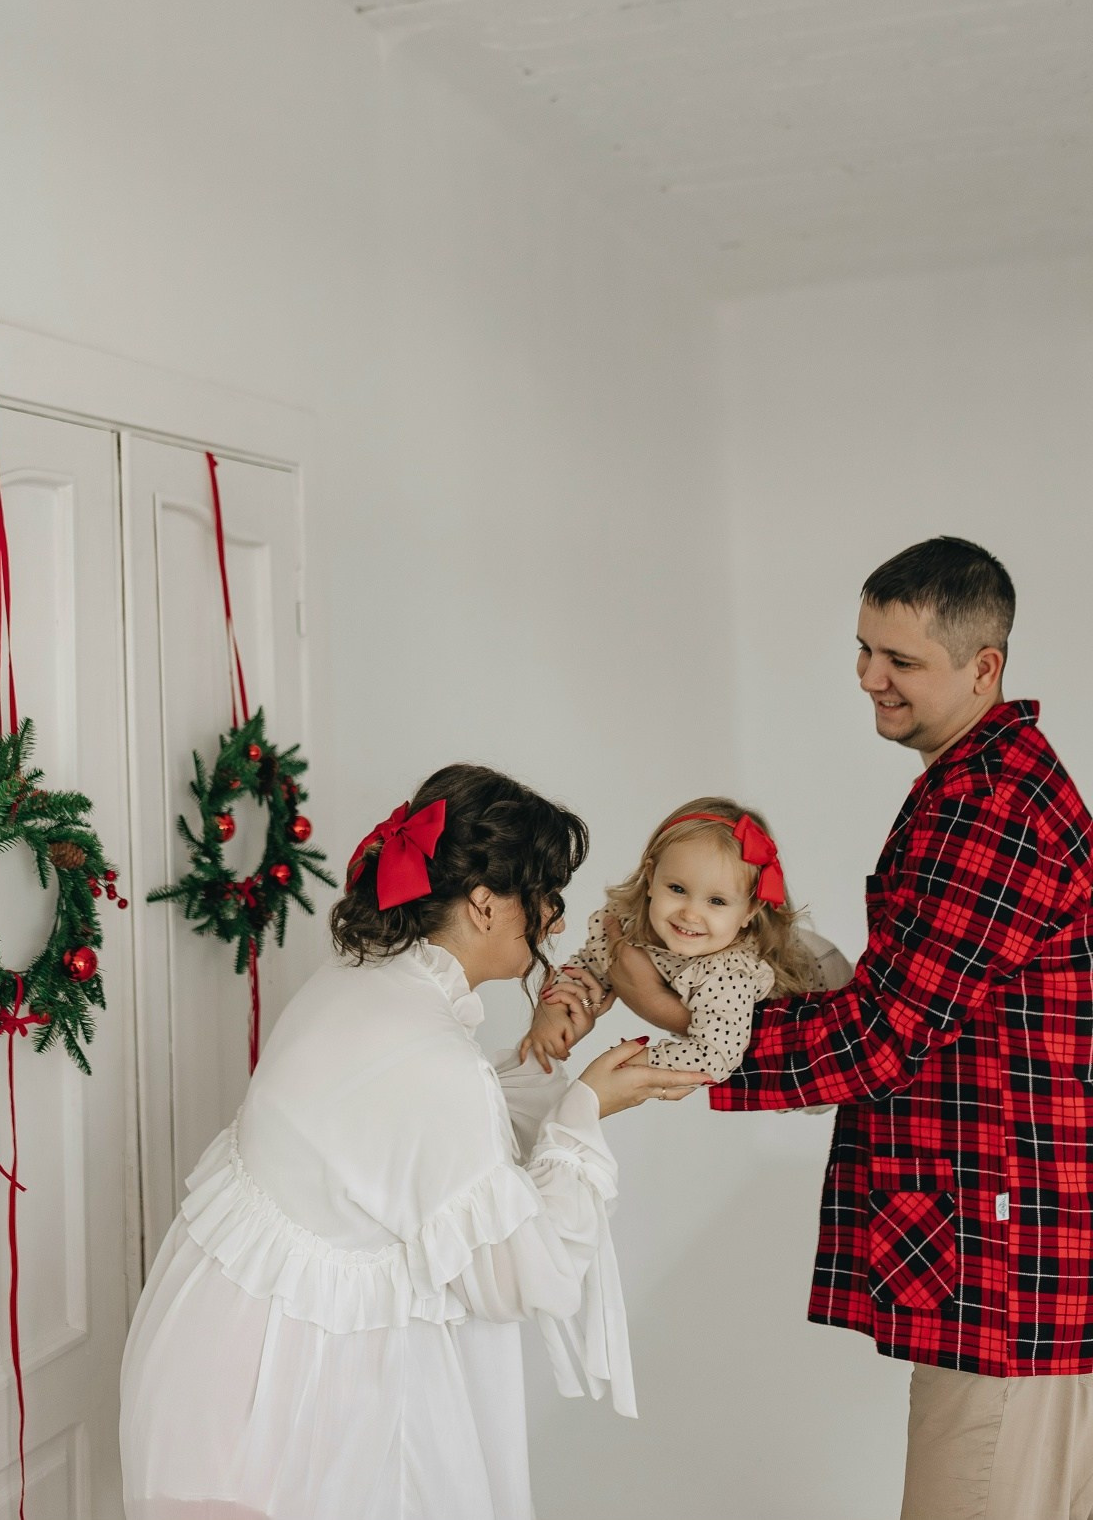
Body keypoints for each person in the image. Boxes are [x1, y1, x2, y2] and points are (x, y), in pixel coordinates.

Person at [581, 536, 1093, 1520]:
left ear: (982, 667)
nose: (868, 677)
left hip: (1005, 1266)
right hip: (1002, 1252)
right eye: (863, 648)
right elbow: (916, 1003)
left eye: (899, 659)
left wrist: (685, 1030)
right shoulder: (971, 782)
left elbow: (883, 1034)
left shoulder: (988, 804)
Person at [120, 763, 706, 1520]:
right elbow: (519, 1277)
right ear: (486, 904)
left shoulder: (361, 980)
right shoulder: (430, 1056)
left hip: (227, 1363)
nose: (557, 923)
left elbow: (423, 1143)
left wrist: (546, 1061)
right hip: (284, 1406)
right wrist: (585, 1108)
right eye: (547, 897)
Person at [521, 795, 842, 1081]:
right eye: (677, 889)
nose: (690, 914)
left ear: (750, 910)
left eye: (716, 901)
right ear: (651, 877)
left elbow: (714, 1057)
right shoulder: (627, 924)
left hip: (828, 1000)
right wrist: (552, 1012)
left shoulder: (729, 973)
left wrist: (637, 1062)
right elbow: (587, 968)